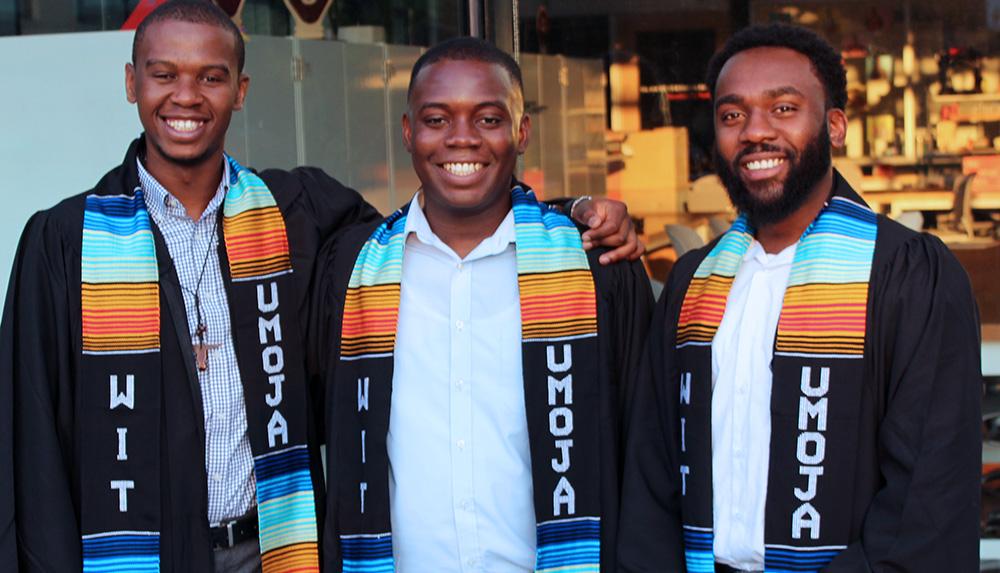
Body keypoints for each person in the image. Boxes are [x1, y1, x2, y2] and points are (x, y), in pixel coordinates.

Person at [0, 2, 640, 571]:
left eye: (211, 77)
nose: (186, 97)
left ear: (241, 91)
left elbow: (458, 213)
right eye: (164, 75)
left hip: (275, 551)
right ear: (132, 83)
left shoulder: (295, 216)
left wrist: (573, 212)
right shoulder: (66, 243)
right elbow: (29, 437)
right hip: (136, 550)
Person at [618, 24, 982, 572]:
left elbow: (927, 501)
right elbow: (653, 475)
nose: (754, 132)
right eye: (732, 115)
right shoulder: (694, 283)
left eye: (783, 109)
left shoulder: (907, 277)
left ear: (834, 126)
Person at [311, 37, 654, 572]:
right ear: (408, 133)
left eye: (488, 119)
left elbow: (644, 453)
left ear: (522, 133)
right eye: (437, 119)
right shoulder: (354, 270)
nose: (462, 139)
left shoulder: (593, 268)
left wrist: (577, 209)